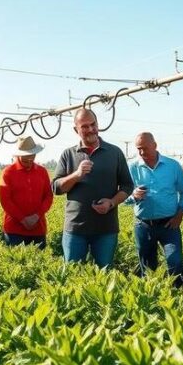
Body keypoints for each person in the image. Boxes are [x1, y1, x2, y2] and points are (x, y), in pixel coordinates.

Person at [52, 108, 134, 268]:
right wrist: (76, 175)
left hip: (106, 229)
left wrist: (111, 202)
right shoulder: (68, 155)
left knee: (104, 274)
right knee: (72, 275)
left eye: (93, 124)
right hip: (75, 229)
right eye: (84, 126)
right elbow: (56, 188)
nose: (90, 129)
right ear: (76, 129)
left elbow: (127, 185)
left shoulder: (114, 152)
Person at [124, 132, 183, 286]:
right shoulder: (133, 168)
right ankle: (152, 299)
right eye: (138, 149)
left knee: (175, 262)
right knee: (147, 268)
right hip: (144, 225)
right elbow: (123, 197)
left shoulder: (172, 166)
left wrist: (179, 215)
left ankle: (180, 297)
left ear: (155, 145)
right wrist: (133, 196)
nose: (141, 152)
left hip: (169, 224)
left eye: (145, 148)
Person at [0, 136, 53, 249]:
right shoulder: (8, 172)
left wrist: (37, 216)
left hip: (38, 228)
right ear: (18, 155)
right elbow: (5, 200)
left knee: (39, 263)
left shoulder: (42, 172)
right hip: (14, 230)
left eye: (31, 157)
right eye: (25, 158)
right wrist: (22, 219)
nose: (29, 161)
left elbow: (48, 196)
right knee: (15, 263)